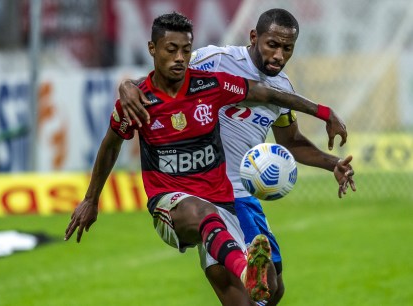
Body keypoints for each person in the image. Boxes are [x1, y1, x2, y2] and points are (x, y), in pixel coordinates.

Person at [65, 12, 349, 306]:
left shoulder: (216, 85)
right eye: (272, 45)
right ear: (254, 37)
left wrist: (328, 136)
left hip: (230, 197)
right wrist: (128, 86)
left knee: (271, 290)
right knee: (207, 218)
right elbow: (151, 90)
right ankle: (245, 269)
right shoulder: (211, 62)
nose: (278, 55)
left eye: (287, 49)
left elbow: (279, 117)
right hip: (180, 199)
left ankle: (247, 273)